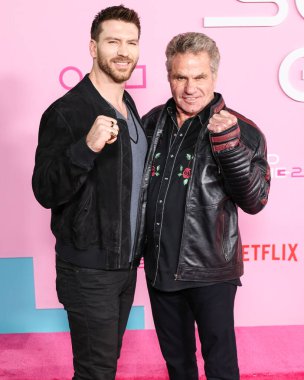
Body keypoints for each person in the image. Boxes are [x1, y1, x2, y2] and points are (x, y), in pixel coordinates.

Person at [136, 32, 271, 380]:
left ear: (213, 76)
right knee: (178, 366)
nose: (189, 87)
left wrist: (230, 148)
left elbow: (255, 200)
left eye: (199, 77)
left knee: (221, 367)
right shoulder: (150, 123)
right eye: (181, 77)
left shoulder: (241, 129)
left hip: (211, 270)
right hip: (159, 267)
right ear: (169, 77)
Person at [32, 5, 147, 380]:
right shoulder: (66, 112)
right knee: (96, 371)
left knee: (102, 368)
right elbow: (45, 189)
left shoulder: (128, 106)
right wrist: (86, 147)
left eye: (131, 42)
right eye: (113, 41)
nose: (123, 51)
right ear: (93, 47)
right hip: (87, 268)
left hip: (124, 266)